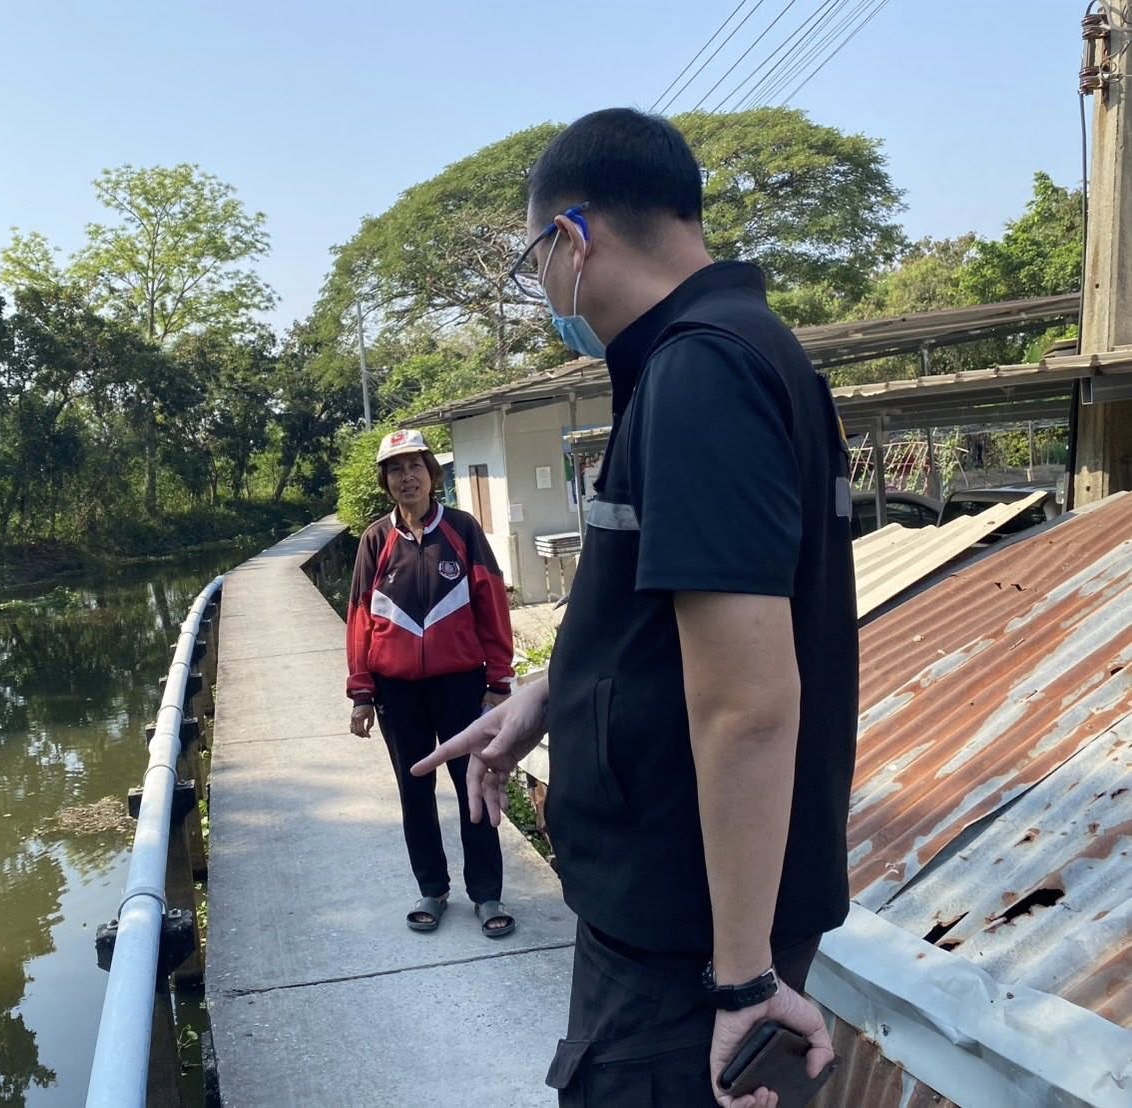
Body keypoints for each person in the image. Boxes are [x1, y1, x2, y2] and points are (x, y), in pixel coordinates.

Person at [415, 109, 857, 1108]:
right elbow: (680, 633)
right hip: (684, 924)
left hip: (685, 947)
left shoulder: (701, 371)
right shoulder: (734, 357)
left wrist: (742, 979)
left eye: (535, 261)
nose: (544, 291)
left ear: (574, 239)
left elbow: (747, 701)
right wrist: (545, 694)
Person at [346, 428, 518, 939]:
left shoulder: (462, 530)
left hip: (462, 686)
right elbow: (359, 618)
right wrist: (361, 693)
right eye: (395, 470)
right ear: (385, 481)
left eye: (414, 467)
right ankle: (433, 888)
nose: (406, 477)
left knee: (477, 786)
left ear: (432, 474)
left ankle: (487, 894)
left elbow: (493, 604)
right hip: (397, 692)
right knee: (414, 791)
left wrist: (499, 680)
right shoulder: (375, 540)